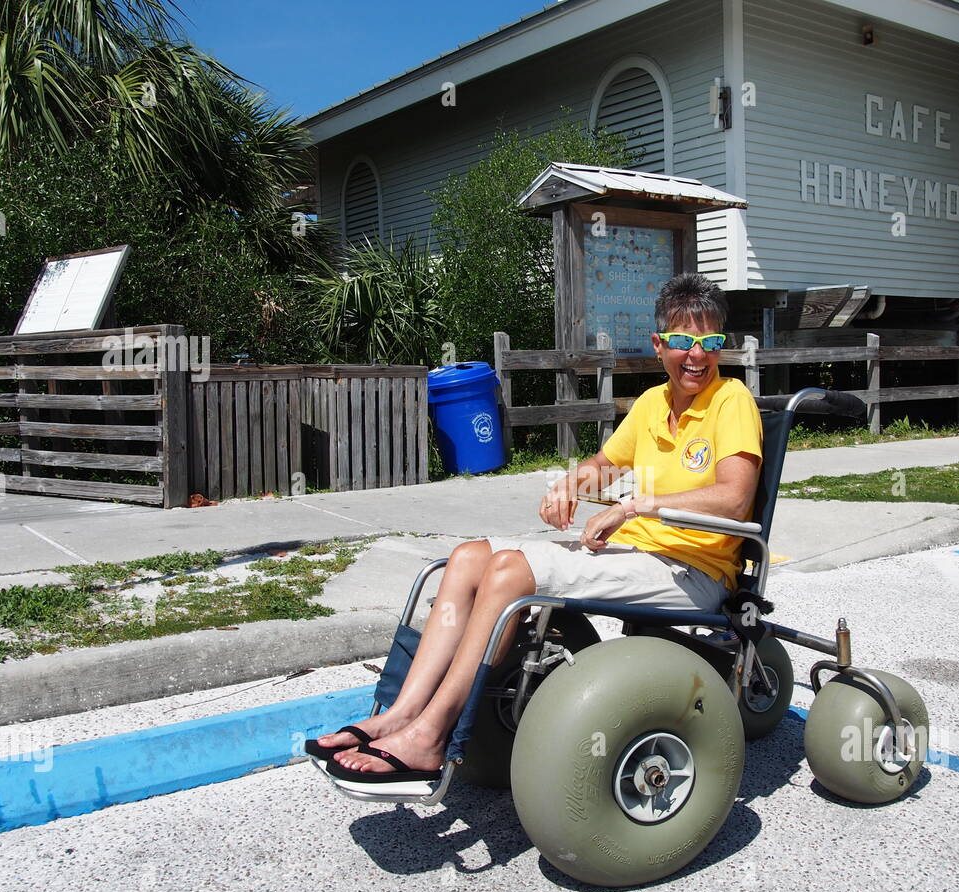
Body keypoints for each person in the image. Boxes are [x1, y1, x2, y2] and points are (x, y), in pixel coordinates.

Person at [313, 272, 763, 784]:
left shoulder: (732, 401)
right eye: (683, 341)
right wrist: (572, 483)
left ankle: (430, 736)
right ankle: (396, 715)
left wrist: (635, 508)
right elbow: (605, 464)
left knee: (509, 571)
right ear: (660, 344)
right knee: (466, 557)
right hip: (637, 556)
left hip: (692, 572)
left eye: (709, 343)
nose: (696, 356)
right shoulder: (651, 405)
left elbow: (733, 496)